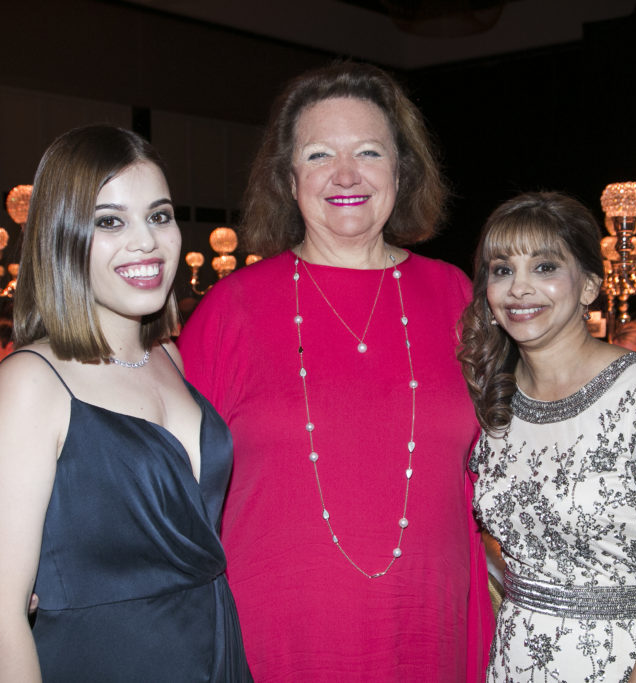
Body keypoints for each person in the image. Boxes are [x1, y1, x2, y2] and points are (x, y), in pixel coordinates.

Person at [178, 61, 494, 682]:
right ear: (288, 177)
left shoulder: (455, 295)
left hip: (428, 631)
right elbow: (167, 486)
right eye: (319, 154)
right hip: (275, 641)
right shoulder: (231, 310)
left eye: (369, 152)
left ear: (401, 170)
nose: (346, 175)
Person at [0, 124, 251, 682]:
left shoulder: (168, 357)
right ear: (62, 235)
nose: (146, 242)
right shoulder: (31, 382)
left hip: (215, 651)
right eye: (109, 221)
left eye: (159, 216)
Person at [460, 191, 636, 682]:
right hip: (514, 662)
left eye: (545, 267)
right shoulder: (493, 401)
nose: (519, 288)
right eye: (502, 269)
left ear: (590, 286)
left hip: (627, 664)